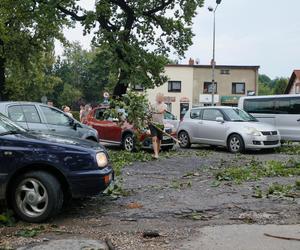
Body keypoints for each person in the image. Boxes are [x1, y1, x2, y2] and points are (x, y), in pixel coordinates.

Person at [149, 93, 167, 159]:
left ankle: (157, 153)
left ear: (162, 98)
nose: (159, 98)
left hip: (160, 124)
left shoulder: (165, 105)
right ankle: (156, 154)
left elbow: (162, 111)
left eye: (161, 97)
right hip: (153, 124)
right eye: (158, 97)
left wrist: (154, 112)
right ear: (156, 98)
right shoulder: (152, 105)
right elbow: (149, 113)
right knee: (154, 138)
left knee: (159, 139)